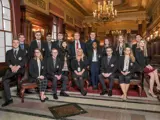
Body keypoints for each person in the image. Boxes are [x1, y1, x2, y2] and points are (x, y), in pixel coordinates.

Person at [2, 39, 26, 107]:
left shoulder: (23, 51)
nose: (15, 44)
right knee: (5, 82)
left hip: (20, 70)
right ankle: (9, 99)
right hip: (11, 70)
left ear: (19, 43)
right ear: (12, 43)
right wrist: (12, 67)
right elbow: (7, 61)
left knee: (5, 78)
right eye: (14, 42)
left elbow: (24, 61)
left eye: (17, 42)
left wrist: (17, 67)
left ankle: (3, 78)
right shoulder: (8, 52)